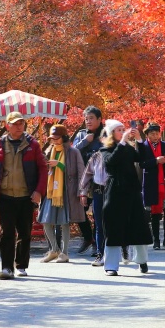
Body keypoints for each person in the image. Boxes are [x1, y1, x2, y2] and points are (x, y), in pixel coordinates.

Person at [0, 111, 48, 280]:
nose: (19, 127)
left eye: (21, 124)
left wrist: (39, 191)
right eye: (15, 124)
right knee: (7, 233)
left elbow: (43, 168)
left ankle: (21, 265)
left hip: (26, 196)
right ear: (8, 126)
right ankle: (6, 267)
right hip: (5, 196)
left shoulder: (32, 144)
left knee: (25, 232)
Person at [101, 119, 153, 276]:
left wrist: (139, 140)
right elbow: (111, 161)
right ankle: (111, 265)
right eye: (119, 130)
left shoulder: (129, 149)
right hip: (115, 192)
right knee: (113, 227)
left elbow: (143, 159)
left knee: (138, 225)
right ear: (111, 133)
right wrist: (123, 142)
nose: (123, 132)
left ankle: (142, 260)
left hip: (132, 192)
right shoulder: (106, 150)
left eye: (123, 129)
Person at [38, 125, 85, 263]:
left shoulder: (73, 152)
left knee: (65, 222)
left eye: (56, 138)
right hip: (51, 190)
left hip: (66, 191)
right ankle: (54, 249)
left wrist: (58, 164)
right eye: (52, 138)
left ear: (63, 137)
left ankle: (64, 253)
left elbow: (79, 172)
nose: (54, 141)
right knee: (45, 221)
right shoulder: (49, 150)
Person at [138, 122, 165, 250]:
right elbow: (142, 164)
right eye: (152, 134)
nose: (155, 136)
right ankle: (156, 241)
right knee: (154, 212)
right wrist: (156, 161)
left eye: (157, 133)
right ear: (147, 135)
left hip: (164, 183)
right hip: (150, 183)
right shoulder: (143, 146)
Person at [72, 106, 103, 255]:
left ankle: (97, 243)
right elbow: (71, 153)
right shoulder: (81, 134)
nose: (88, 121)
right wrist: (85, 141)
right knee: (79, 210)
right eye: (86, 118)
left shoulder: (106, 134)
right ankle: (87, 237)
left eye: (91, 118)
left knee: (98, 212)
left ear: (99, 119)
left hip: (98, 179)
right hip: (82, 178)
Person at [79, 134, 108, 266]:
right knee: (99, 224)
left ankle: (121, 249)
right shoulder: (96, 156)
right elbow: (87, 176)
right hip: (98, 191)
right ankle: (100, 254)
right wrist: (83, 193)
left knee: (114, 223)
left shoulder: (120, 153)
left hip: (115, 193)